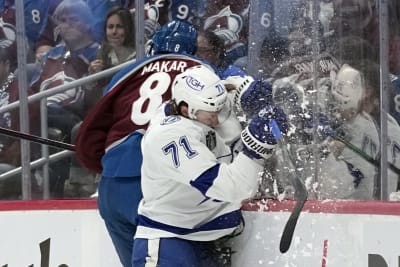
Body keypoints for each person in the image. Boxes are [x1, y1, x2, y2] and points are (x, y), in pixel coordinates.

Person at [132, 64, 288, 267]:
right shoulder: (169, 137)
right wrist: (255, 150)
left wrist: (246, 88)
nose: (217, 119)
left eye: (219, 110)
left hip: (209, 241)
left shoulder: (202, 105)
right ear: (186, 110)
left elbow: (226, 81)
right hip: (170, 242)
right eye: (211, 114)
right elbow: (232, 188)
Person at [75, 20, 200, 267]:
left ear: (154, 46)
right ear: (193, 49)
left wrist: (106, 163)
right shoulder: (200, 71)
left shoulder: (128, 72)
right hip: (160, 187)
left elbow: (92, 128)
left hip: (113, 188)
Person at [29, 0, 100, 198]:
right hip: (43, 110)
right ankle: (47, 181)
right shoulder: (50, 54)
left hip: (74, 112)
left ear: (87, 23)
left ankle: (64, 184)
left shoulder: (97, 52)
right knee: (31, 114)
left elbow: (92, 95)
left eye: (73, 19)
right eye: (62, 20)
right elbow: (34, 88)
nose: (67, 24)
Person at [66, 6, 137, 198]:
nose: (114, 32)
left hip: (132, 113)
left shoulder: (139, 54)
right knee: (79, 130)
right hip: (107, 111)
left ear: (128, 29)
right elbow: (91, 93)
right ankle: (80, 183)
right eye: (110, 27)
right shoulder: (103, 53)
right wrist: (92, 75)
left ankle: (104, 182)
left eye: (119, 27)